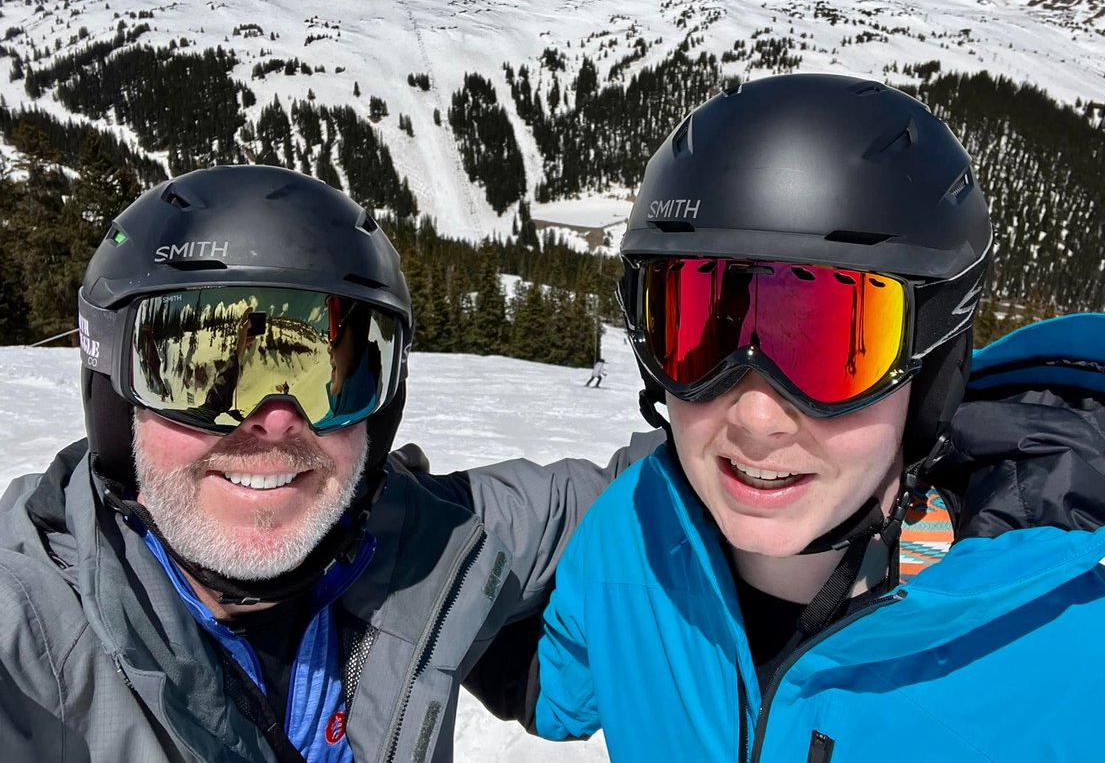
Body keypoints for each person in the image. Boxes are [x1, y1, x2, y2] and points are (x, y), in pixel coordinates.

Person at [528, 74, 1105, 760]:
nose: (757, 417)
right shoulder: (629, 537)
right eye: (700, 331)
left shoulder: (1092, 685)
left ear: (932, 368)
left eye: (834, 346)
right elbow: (557, 684)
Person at [0, 165, 644, 761]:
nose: (275, 419)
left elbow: (657, 490)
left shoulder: (422, 539)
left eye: (326, 380)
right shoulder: (35, 636)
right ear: (115, 397)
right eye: (202, 373)